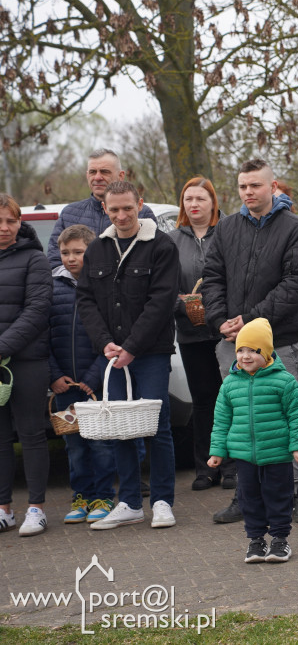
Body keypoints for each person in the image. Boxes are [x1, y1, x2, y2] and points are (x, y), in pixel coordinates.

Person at [202, 158, 298, 524]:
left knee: (282, 416)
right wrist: (220, 320)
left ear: (273, 186)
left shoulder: (295, 228)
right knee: (240, 416)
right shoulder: (227, 228)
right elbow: (212, 276)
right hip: (230, 342)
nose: (249, 192)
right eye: (243, 186)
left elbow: (297, 284)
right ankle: (245, 496)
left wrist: (250, 322)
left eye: (256, 185)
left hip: (278, 341)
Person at [76, 181, 180, 530]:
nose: (121, 215)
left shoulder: (162, 247)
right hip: (112, 356)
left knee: (157, 427)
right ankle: (131, 503)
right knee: (120, 429)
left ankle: (163, 501)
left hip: (149, 353)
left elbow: (161, 302)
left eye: (128, 208)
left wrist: (132, 347)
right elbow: (86, 301)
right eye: (114, 209)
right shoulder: (96, 249)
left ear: (140, 205)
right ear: (104, 208)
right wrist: (105, 342)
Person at [208, 318, 298, 564]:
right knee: (248, 497)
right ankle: (255, 541)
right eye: (241, 350)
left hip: (276, 453)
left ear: (266, 352)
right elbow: (221, 420)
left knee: (278, 495)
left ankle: (279, 540)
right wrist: (217, 451)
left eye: (253, 350)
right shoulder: (230, 384)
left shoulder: (284, 381)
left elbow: (297, 416)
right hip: (244, 455)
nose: (245, 356)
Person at [48, 225, 117, 525]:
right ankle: (82, 496)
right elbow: (42, 337)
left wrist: (95, 375)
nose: (71, 258)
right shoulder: (51, 287)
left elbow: (114, 336)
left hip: (96, 383)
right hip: (64, 386)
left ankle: (103, 496)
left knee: (100, 444)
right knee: (73, 445)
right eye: (65, 253)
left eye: (78, 252)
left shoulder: (104, 286)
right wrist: (53, 375)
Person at [168, 177, 227, 492]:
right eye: (188, 199)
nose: (194, 205)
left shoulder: (229, 233)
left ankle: (232, 466)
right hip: (191, 333)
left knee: (231, 398)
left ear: (213, 202)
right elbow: (165, 287)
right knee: (204, 402)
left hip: (227, 332)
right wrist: (182, 304)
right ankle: (206, 467)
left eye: (201, 199)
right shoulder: (172, 240)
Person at [0, 194, 53, 536]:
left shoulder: (36, 259)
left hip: (28, 362)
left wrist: (2, 347)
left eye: (10, 221)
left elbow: (36, 310)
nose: (4, 228)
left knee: (32, 435)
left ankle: (37, 508)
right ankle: (4, 509)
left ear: (20, 224)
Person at [45, 149, 157, 268]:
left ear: (121, 176)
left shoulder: (143, 213)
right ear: (87, 175)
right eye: (93, 172)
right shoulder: (69, 214)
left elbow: (153, 261)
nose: (97, 177)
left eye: (104, 172)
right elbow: (55, 263)